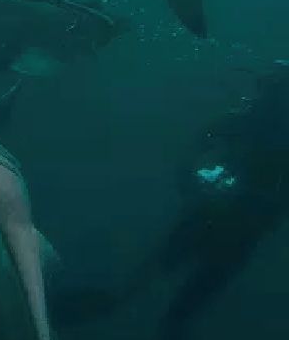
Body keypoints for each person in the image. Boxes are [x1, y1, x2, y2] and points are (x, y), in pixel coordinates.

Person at [106, 60, 289, 339]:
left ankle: (118, 308)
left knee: (159, 279)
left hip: (225, 217)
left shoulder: (247, 119)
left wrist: (191, 179)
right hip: (238, 222)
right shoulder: (250, 120)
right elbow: (206, 139)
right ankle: (135, 313)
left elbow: (204, 139)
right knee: (185, 295)